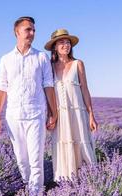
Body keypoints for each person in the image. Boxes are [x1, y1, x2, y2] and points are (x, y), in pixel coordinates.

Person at [0, 16, 57, 195]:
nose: (32, 33)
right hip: (13, 115)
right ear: (17, 32)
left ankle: (35, 195)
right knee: (22, 160)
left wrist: (53, 112)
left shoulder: (41, 57)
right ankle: (30, 188)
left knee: (36, 160)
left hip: (36, 113)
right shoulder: (5, 59)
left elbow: (48, 85)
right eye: (28, 29)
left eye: (33, 30)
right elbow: (1, 88)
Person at [44, 29, 98, 181]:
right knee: (63, 145)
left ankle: (89, 180)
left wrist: (91, 115)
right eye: (62, 42)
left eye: (68, 42)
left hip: (78, 113)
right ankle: (66, 183)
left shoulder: (78, 64)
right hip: (60, 115)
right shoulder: (49, 66)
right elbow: (47, 92)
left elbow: (85, 90)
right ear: (55, 46)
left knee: (82, 143)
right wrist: (50, 115)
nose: (66, 45)